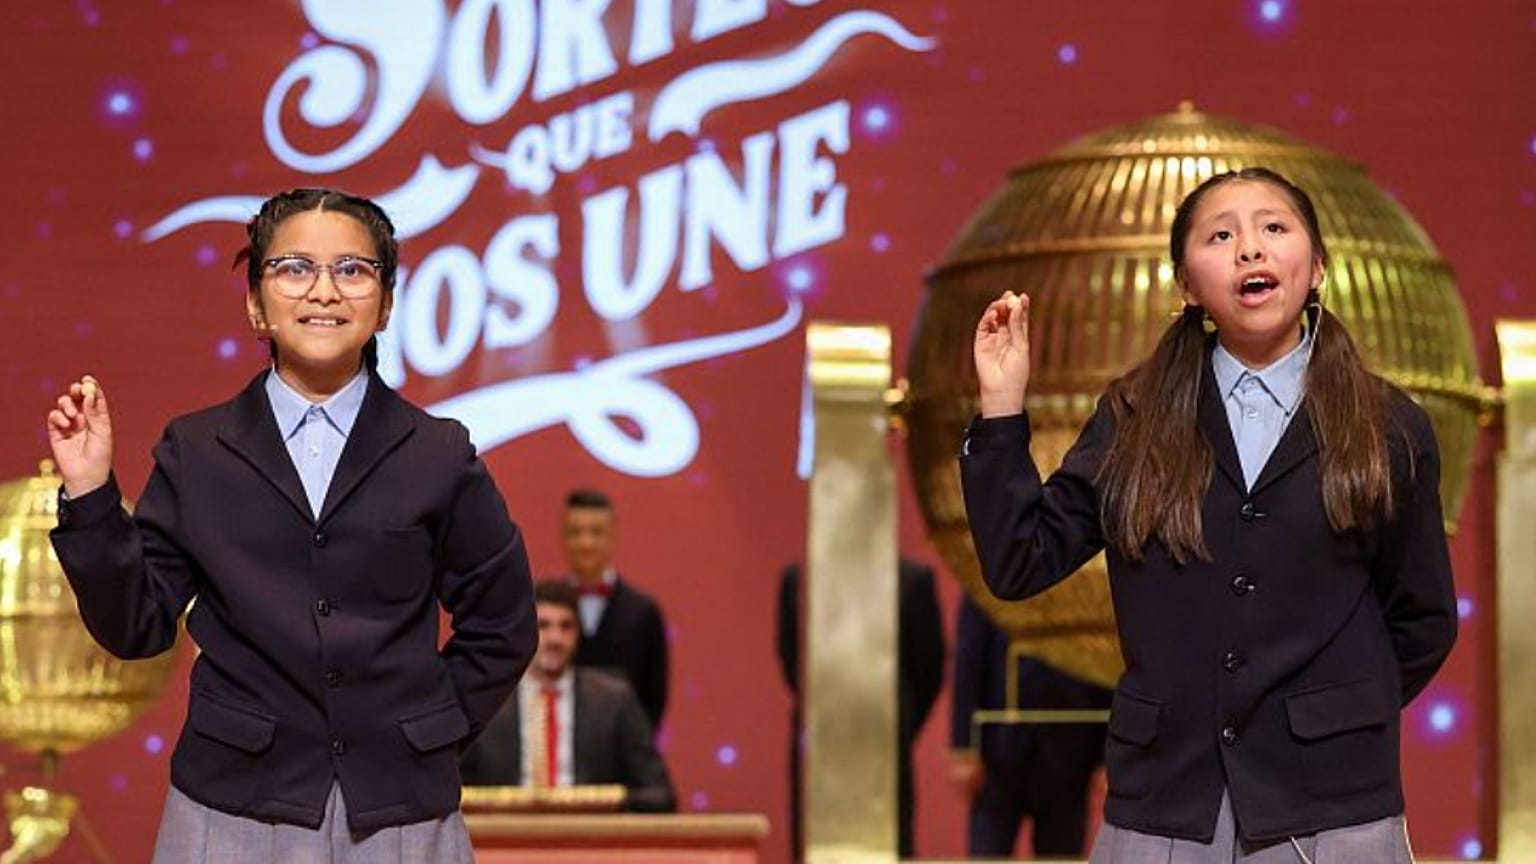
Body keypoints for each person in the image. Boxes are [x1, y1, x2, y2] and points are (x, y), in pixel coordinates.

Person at [964, 167, 1457, 862]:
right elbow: (1021, 560)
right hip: (1166, 803)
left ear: (1316, 267)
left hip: (1331, 809)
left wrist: (1336, 716)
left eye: (1274, 228)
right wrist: (1001, 409)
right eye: (1220, 236)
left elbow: (1423, 618)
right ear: (1187, 285)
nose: (1249, 249)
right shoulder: (1133, 418)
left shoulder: (1388, 426)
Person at [46, 188, 536, 863]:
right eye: (295, 268)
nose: (324, 291)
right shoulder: (197, 449)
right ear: (255, 303)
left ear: (386, 303)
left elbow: (504, 624)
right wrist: (92, 492)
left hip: (397, 807)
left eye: (354, 270)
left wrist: (428, 730)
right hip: (232, 804)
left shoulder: (439, 452)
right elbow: (137, 627)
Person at [776, 557, 945, 860]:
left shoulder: (913, 581)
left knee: (891, 842)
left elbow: (929, 667)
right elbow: (792, 662)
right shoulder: (798, 581)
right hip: (818, 740)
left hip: (886, 739)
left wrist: (900, 722)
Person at [461, 580, 677, 812]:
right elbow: (449, 790)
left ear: (578, 634)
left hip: (591, 839)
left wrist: (601, 802)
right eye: (543, 626)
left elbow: (659, 794)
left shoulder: (615, 701)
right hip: (504, 839)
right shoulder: (487, 701)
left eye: (566, 627)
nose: (555, 639)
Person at [948, 593, 1109, 858]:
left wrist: (1108, 757)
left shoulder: (1091, 581)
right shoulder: (985, 574)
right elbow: (967, 662)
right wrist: (963, 748)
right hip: (998, 754)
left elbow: (1108, 667)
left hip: (1071, 755)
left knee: (1062, 855)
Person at [559, 488, 670, 732]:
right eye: (575, 532)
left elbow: (653, 699)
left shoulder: (643, 612)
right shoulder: (544, 610)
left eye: (596, 532)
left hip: (622, 757)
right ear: (563, 537)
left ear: (612, 535)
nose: (586, 543)